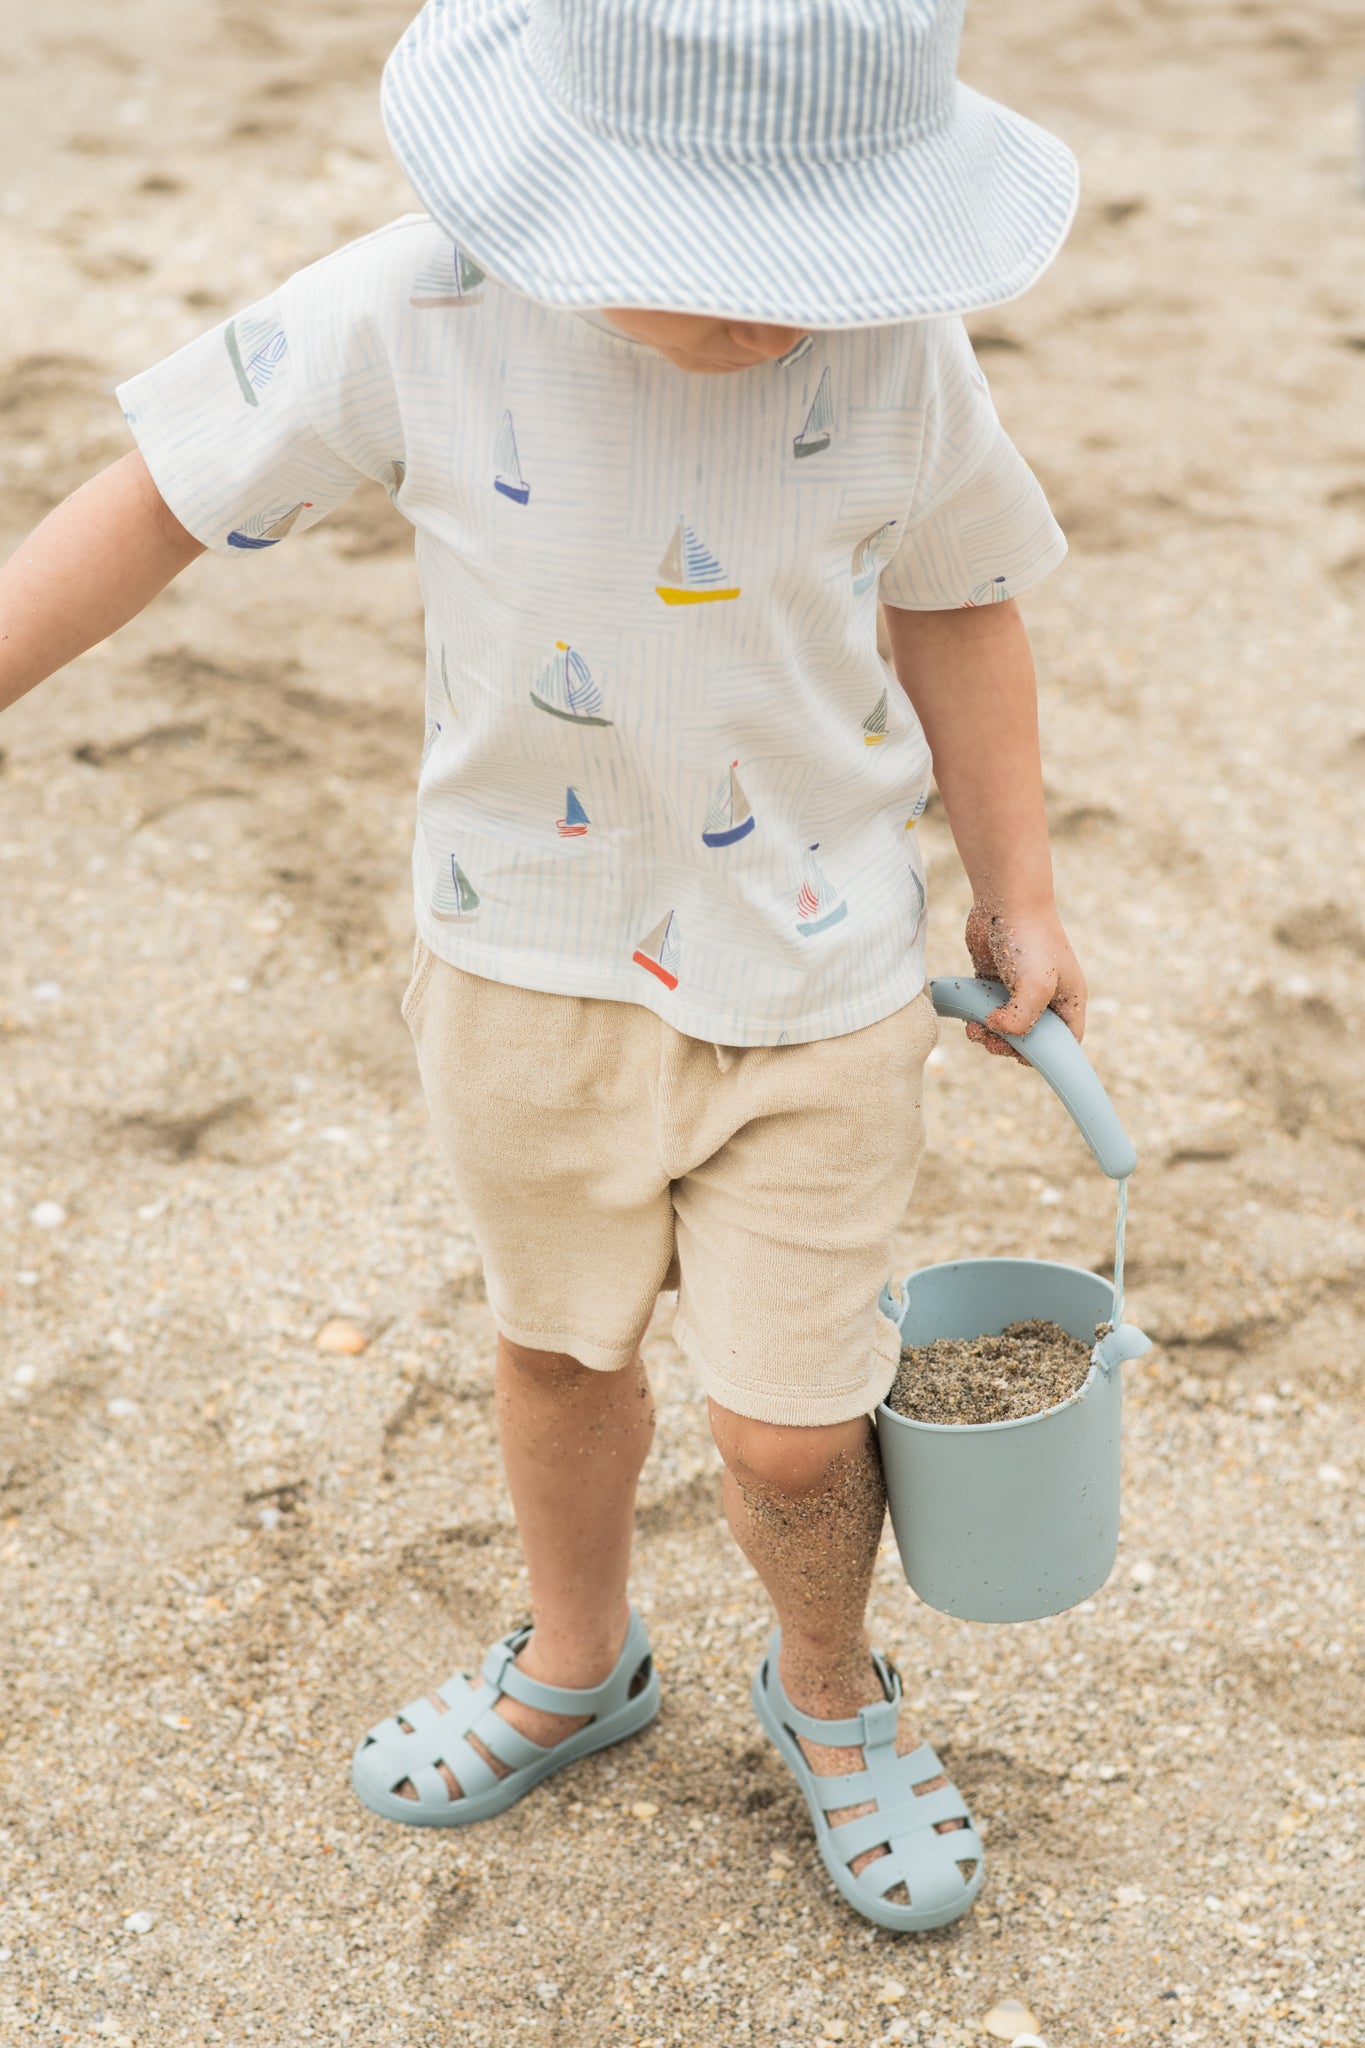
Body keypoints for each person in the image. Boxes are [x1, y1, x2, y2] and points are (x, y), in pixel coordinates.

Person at [0, 0, 1088, 1933]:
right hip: (523, 960)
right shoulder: (417, 308)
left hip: (821, 971)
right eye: (725, 264)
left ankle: (829, 1693)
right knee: (561, 1350)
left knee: (792, 1422)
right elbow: (152, 502)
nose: (777, 320)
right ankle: (578, 1660)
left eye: (819, 267)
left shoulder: (895, 353)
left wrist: (1022, 885)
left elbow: (963, 595)